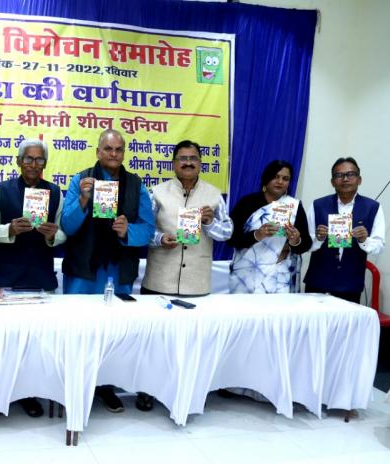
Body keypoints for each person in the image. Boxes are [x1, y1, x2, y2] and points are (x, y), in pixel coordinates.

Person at [61, 129, 155, 412]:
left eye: (119, 150)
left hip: (118, 270)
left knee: (114, 334)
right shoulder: (81, 180)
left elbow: (148, 229)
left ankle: (106, 386)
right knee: (79, 329)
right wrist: (83, 201)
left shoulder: (136, 185)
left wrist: (129, 231)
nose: (114, 155)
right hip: (83, 271)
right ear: (98, 151)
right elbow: (67, 225)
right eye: (108, 149)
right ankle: (75, 385)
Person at [137, 139, 233, 411]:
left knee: (191, 345)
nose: (188, 162)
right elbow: (144, 231)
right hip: (159, 281)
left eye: (193, 158)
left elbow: (227, 234)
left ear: (201, 163)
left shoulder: (214, 196)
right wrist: (159, 239)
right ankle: (148, 390)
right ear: (174, 163)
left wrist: (209, 222)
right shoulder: (156, 193)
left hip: (196, 284)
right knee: (155, 343)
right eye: (182, 158)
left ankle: (187, 391)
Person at [0, 139, 66, 418]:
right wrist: (9, 229)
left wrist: (52, 234)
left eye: (39, 160)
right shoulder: (2, 189)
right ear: (18, 161)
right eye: (28, 159)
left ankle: (29, 395)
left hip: (40, 276)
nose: (33, 165)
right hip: (6, 276)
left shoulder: (55, 192)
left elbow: (63, 234)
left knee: (36, 344)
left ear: (45, 163)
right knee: (3, 343)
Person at [304, 157, 385, 302]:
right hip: (317, 282)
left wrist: (363, 240)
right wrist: (318, 238)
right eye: (339, 175)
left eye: (350, 174)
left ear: (359, 180)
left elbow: (378, 247)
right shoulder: (318, 205)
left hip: (350, 285)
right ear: (332, 181)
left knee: (346, 325)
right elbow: (306, 243)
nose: (345, 179)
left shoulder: (373, 207)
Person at [229, 160, 311, 293]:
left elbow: (306, 244)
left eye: (285, 178)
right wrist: (257, 235)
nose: (280, 181)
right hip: (248, 276)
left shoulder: (294, 206)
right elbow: (231, 239)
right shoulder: (247, 203)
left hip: (281, 277)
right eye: (275, 176)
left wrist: (295, 241)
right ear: (266, 179)